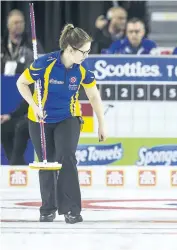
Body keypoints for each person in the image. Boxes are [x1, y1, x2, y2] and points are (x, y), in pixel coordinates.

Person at [16, 24, 106, 224]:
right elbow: (21, 83)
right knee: (46, 162)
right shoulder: (45, 63)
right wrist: (34, 105)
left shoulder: (82, 69)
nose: (86, 56)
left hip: (68, 117)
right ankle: (48, 207)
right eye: (84, 52)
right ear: (70, 49)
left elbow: (93, 96)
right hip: (40, 118)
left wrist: (102, 123)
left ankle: (72, 209)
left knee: (67, 157)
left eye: (88, 52)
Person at [1, 98, 31, 165]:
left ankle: (15, 160)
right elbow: (25, 106)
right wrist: (10, 116)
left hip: (48, 119)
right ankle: (16, 163)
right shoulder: (32, 88)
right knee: (3, 128)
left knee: (22, 126)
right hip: (32, 119)